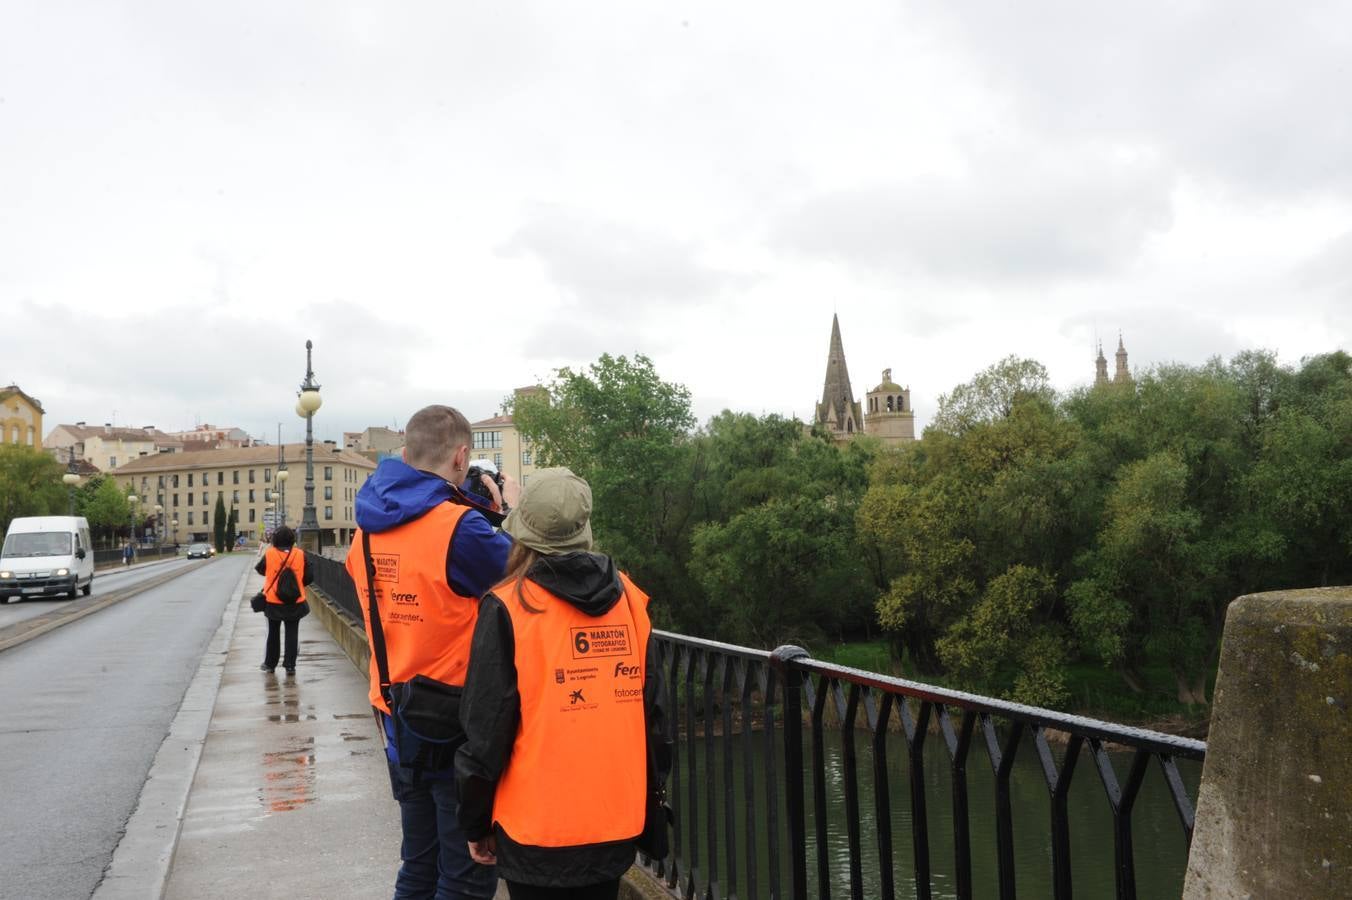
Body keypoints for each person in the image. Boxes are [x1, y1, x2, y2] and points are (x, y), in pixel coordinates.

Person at [456, 467, 668, 900]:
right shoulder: (630, 599)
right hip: (614, 821)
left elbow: (485, 732)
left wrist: (475, 823)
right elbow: (656, 717)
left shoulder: (508, 607)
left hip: (536, 829)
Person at [345, 404, 520, 900]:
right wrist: (508, 510)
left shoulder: (367, 528)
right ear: (462, 456)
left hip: (394, 709)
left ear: (406, 453)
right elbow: (524, 577)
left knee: (419, 864)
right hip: (453, 719)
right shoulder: (460, 528)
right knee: (466, 874)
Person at [253, 525, 313, 674]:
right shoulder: (300, 554)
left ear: (275, 539)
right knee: (292, 634)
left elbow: (260, 570)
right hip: (295, 601)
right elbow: (309, 577)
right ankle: (290, 665)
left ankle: (270, 664)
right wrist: (296, 584)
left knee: (273, 634)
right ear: (292, 539)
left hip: (273, 601)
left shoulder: (270, 554)